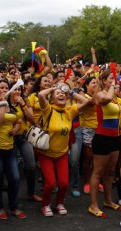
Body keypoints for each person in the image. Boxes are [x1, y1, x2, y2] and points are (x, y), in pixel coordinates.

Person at [37, 82, 87, 217]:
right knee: (51, 184)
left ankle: (59, 203)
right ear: (52, 99)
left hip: (62, 153)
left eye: (63, 94)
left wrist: (71, 92)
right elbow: (41, 94)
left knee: (64, 183)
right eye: (57, 94)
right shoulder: (48, 109)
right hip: (46, 153)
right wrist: (55, 87)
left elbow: (87, 101)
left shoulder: (69, 110)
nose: (61, 94)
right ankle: (45, 204)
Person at [0, 79, 26, 220]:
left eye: (6, 87)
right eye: (1, 88)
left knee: (14, 178)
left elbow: (18, 120)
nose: (4, 90)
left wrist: (15, 128)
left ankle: (13, 207)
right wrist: (2, 104)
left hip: (9, 148)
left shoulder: (11, 107)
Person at [89, 70, 121, 218]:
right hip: (102, 137)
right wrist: (112, 86)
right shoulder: (100, 94)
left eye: (115, 79)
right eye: (111, 78)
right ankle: (93, 205)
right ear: (103, 80)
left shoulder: (115, 97)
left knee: (110, 172)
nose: (114, 81)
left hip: (115, 138)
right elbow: (106, 99)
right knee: (98, 172)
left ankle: (108, 200)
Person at [10, 82, 42, 202]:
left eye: (19, 89)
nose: (17, 92)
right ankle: (12, 196)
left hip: (24, 137)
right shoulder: (6, 102)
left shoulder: (25, 100)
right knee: (12, 171)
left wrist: (23, 103)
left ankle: (31, 192)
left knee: (31, 166)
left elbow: (31, 117)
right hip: (10, 138)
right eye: (14, 89)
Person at [80, 77, 99, 194]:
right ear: (87, 86)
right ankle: (87, 182)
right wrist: (99, 89)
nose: (96, 85)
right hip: (88, 129)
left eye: (97, 83)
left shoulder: (101, 96)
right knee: (88, 157)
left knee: (98, 159)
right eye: (93, 83)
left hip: (100, 129)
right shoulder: (83, 96)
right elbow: (91, 103)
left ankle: (95, 181)